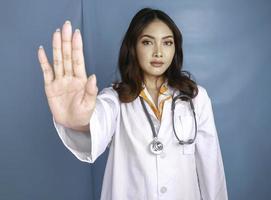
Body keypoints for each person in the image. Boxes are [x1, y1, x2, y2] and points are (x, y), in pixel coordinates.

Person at [38, 7, 228, 200]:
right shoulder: (115, 98)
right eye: (147, 42)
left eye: (167, 43)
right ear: (133, 47)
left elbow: (211, 166)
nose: (159, 52)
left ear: (175, 48)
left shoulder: (195, 98)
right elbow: (97, 123)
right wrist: (78, 122)